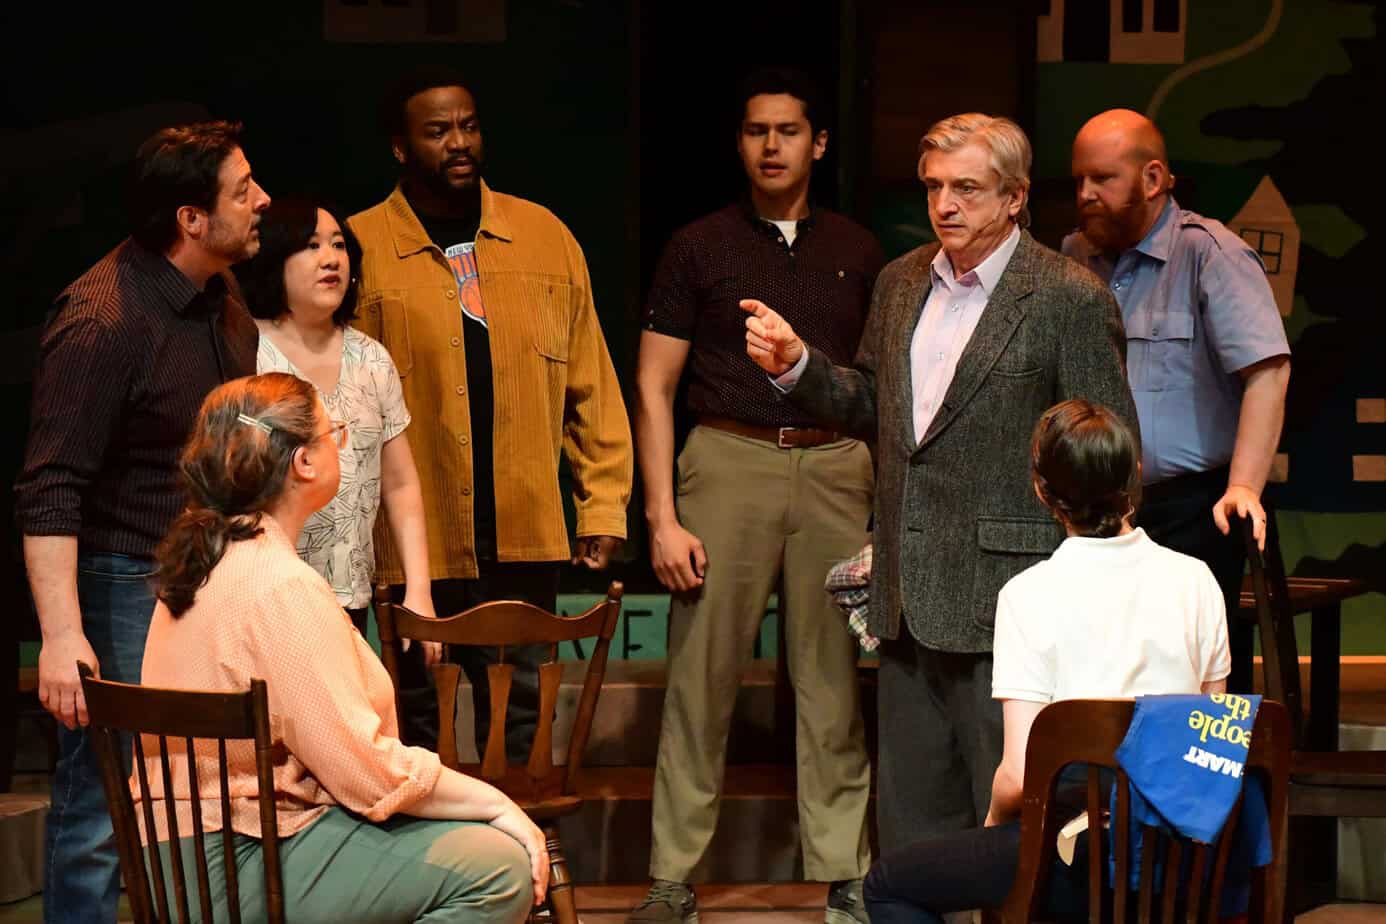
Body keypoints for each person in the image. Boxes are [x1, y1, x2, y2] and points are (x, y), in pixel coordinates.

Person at [741, 113, 1138, 853]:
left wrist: (1092, 604)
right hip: (907, 602)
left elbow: (1105, 458)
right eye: (933, 188)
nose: (944, 205)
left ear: (1015, 197)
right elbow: (875, 407)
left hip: (1014, 607)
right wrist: (797, 366)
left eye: (966, 188)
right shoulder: (900, 283)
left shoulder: (1066, 297)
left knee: (1014, 834)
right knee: (915, 839)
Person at [140, 372, 546, 922]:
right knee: (496, 867)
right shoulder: (279, 586)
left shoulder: (202, 566)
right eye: (337, 433)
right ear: (304, 462)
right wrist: (498, 804)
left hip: (179, 861)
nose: (344, 445)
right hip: (239, 861)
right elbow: (364, 771)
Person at [629, 67, 880, 924]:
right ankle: (673, 875)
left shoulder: (858, 249)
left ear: (818, 143)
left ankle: (846, 872)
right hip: (727, 461)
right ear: (739, 143)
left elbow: (877, 388)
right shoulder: (698, 245)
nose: (770, 145)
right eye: (754, 130)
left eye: (786, 131)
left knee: (833, 678)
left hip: (836, 463)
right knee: (702, 676)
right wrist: (661, 516)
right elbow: (653, 387)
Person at [15, 120, 268, 923]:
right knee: (104, 794)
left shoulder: (222, 297)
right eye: (242, 190)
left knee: (199, 785)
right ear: (191, 218)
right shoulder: (103, 321)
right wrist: (61, 635)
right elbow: (50, 486)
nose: (263, 202)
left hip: (205, 570)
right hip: (125, 578)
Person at [349, 65, 633, 757]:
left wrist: (600, 506)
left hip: (523, 528)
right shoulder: (359, 247)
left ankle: (523, 857)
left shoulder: (543, 238)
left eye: (468, 126)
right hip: (413, 537)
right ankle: (435, 865)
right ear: (400, 146)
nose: (458, 143)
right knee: (415, 719)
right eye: (437, 130)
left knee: (525, 712)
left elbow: (590, 383)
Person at [860, 398, 1231, 923]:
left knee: (886, 884)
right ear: (1136, 476)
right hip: (1182, 855)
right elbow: (1212, 741)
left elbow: (1017, 773)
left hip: (1073, 853)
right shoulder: (1197, 581)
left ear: (1042, 491)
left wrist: (993, 826)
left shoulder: (1028, 594)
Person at [1063, 109, 1291, 692]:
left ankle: (1212, 784)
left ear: (1154, 178)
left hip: (1191, 509)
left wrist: (1244, 486)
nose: (1086, 194)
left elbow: (1267, 370)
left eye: (1103, 179)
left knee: (1198, 670)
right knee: (1103, 668)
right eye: (1079, 181)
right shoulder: (1073, 259)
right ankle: (1106, 785)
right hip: (1097, 511)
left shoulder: (1210, 254)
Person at [234, 196, 439, 665]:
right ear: (274, 260)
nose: (331, 258)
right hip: (266, 596)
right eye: (310, 245)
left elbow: (401, 483)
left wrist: (420, 591)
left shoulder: (371, 359)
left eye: (339, 245)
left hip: (350, 596)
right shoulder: (246, 352)